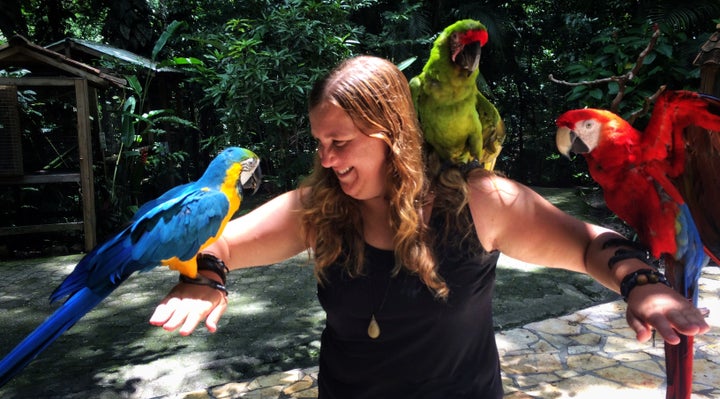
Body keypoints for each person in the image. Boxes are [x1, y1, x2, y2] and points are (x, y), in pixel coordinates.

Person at [149, 55, 709, 398]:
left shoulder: (480, 201)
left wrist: (643, 285)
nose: (326, 159)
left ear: (390, 133)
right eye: (319, 144)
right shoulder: (317, 207)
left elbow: (589, 245)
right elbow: (214, 241)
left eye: (340, 143)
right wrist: (208, 277)